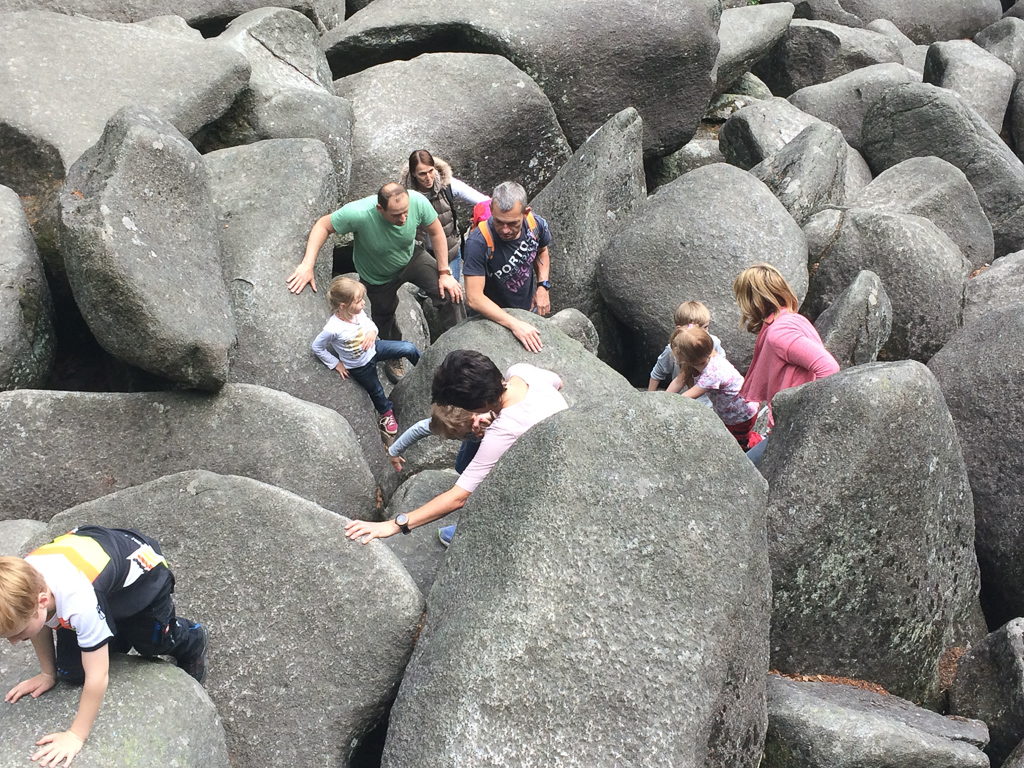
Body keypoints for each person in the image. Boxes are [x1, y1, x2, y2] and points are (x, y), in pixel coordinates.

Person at [1, 526, 208, 767]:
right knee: (71, 672)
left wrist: (76, 735)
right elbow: (38, 621)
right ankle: (110, 628)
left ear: (42, 601)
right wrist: (48, 673)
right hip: (99, 579)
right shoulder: (24, 584)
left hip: (142, 576)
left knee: (151, 643)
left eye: (19, 634)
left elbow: (98, 676)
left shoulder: (79, 600)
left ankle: (192, 637)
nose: (14, 642)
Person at [344, 350, 567, 547]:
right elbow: (558, 383)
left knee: (486, 488)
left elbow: (458, 497)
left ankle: (477, 533)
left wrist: (395, 524)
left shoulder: (503, 430)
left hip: (546, 478)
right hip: (563, 443)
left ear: (478, 405)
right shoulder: (520, 371)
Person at [288, 182, 462, 380]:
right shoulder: (359, 213)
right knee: (383, 318)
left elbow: (436, 231)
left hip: (410, 259)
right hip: (377, 276)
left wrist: (444, 272)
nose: (403, 219)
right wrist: (307, 264)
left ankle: (460, 345)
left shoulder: (417, 201)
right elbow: (323, 225)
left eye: (405, 212)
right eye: (396, 215)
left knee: (451, 293)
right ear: (380, 209)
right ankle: (395, 354)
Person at [733, 263, 840, 466]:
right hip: (788, 423)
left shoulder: (779, 332)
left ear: (751, 301)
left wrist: (808, 415)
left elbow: (829, 368)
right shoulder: (792, 319)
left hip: (792, 425)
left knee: (742, 472)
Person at [312, 276, 420, 437]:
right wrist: (335, 363)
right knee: (376, 390)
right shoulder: (333, 328)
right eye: (358, 301)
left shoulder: (357, 313)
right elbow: (317, 347)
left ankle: (426, 366)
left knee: (408, 347)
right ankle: (386, 413)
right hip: (359, 366)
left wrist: (372, 332)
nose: (363, 303)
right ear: (343, 306)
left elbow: (369, 323)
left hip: (374, 349)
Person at [463, 181, 552, 353]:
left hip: (527, 308)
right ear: (491, 209)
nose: (505, 230)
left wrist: (543, 286)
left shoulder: (535, 225)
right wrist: (514, 324)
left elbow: (542, 251)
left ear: (526, 213)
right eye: (499, 222)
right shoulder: (478, 242)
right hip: (491, 317)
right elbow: (474, 297)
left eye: (512, 223)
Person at [666, 325, 761, 450]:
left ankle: (758, 444)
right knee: (734, 435)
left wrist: (667, 405)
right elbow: (679, 381)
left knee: (738, 442)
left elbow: (686, 397)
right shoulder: (703, 358)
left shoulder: (712, 375)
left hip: (740, 415)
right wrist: (663, 398)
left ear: (685, 357)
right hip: (732, 410)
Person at [401, 150, 487, 283]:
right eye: (422, 174)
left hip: (449, 251)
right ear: (413, 173)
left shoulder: (448, 185)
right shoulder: (403, 194)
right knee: (429, 289)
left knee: (451, 291)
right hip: (422, 254)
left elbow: (483, 200)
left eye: (431, 171)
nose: (428, 177)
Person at [387, 403, 492, 474]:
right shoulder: (444, 424)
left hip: (493, 436)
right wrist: (394, 452)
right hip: (473, 440)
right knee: (461, 467)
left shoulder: (490, 415)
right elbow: (418, 429)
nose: (456, 437)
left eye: (464, 433)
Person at [648, 301, 726, 391]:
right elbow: (657, 373)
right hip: (682, 396)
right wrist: (650, 396)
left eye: (705, 327)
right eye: (695, 330)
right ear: (680, 329)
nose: (702, 334)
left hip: (708, 397)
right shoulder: (673, 349)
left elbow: (722, 368)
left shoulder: (713, 342)